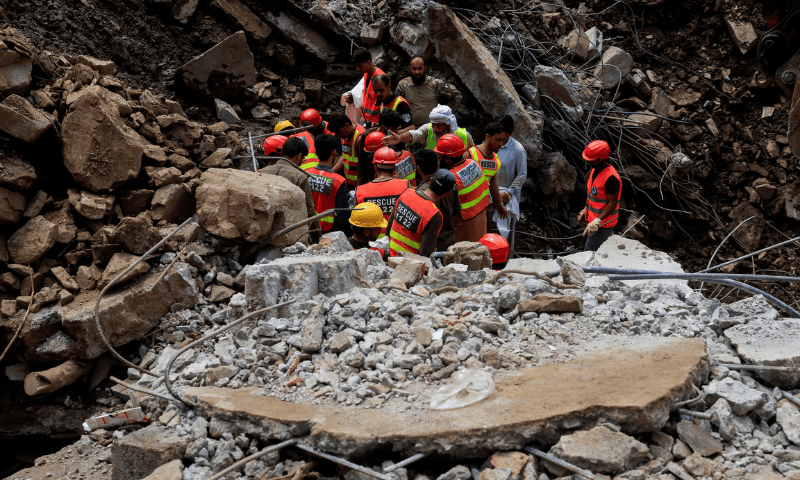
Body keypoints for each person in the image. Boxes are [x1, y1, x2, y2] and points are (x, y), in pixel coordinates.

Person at [386, 169, 456, 257]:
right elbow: (426, 253)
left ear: (430, 181)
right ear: (447, 193)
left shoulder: (406, 193)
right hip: (409, 265)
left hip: (390, 256)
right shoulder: (434, 214)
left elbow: (388, 228)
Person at [436, 133, 489, 243]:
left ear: (448, 159)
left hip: (464, 227)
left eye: (440, 156)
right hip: (481, 220)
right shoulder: (474, 163)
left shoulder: (451, 179)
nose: (438, 159)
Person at [260, 137, 320, 235]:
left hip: (264, 228)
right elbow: (309, 210)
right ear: (299, 156)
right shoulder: (300, 177)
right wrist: (318, 234)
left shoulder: (263, 171)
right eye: (303, 158)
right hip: (288, 231)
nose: (302, 161)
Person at [354, 147, 411, 237]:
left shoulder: (360, 191)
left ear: (375, 167)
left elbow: (356, 223)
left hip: (371, 243)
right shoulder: (406, 187)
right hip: (397, 242)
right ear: (394, 168)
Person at [577, 140, 621, 251]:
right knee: (589, 249)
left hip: (603, 224)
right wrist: (585, 210)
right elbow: (593, 196)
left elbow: (612, 203)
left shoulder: (611, 178)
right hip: (593, 221)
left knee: (589, 252)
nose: (589, 162)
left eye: (591, 161)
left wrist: (597, 221)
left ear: (600, 159)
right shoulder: (595, 170)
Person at [395, 56, 462, 128]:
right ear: (410, 69)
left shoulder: (435, 84)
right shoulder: (403, 85)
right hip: (411, 131)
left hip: (432, 130)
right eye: (414, 69)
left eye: (420, 68)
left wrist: (445, 113)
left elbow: (457, 95)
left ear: (425, 68)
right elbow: (395, 106)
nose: (417, 72)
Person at [414, 149, 460, 252]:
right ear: (438, 164)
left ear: (418, 169)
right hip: (449, 242)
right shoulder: (451, 185)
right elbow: (457, 214)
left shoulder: (420, 193)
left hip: (432, 246)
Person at [306, 134, 351, 235]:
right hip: (328, 231)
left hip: (307, 229)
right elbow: (342, 214)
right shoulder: (339, 181)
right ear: (334, 152)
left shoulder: (305, 175)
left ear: (316, 152)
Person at [382, 104, 473, 151]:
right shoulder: (428, 129)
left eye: (438, 126)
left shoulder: (465, 136)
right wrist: (399, 138)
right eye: (433, 125)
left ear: (448, 125)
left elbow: (472, 156)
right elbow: (414, 134)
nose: (434, 129)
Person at [467, 123, 508, 224]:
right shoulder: (470, 154)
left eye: (503, 140)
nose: (501, 144)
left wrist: (499, 204)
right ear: (487, 137)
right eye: (498, 140)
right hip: (467, 209)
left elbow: (493, 182)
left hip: (483, 207)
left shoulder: (495, 160)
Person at [493, 115, 527, 239]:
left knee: (504, 233)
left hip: (507, 197)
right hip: (490, 194)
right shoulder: (491, 144)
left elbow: (522, 175)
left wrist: (509, 193)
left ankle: (506, 257)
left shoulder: (517, 150)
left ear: (507, 133)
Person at [343, 48, 386, 125]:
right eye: (356, 66)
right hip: (366, 120)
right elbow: (367, 96)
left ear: (369, 63)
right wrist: (354, 98)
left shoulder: (381, 78)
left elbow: (386, 104)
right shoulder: (366, 74)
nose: (357, 69)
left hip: (375, 122)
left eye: (359, 66)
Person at [326, 114, 365, 186]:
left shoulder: (359, 139)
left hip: (358, 185)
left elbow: (363, 169)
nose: (337, 136)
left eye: (339, 132)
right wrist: (330, 172)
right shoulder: (345, 135)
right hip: (349, 182)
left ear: (346, 125)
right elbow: (344, 156)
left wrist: (358, 190)